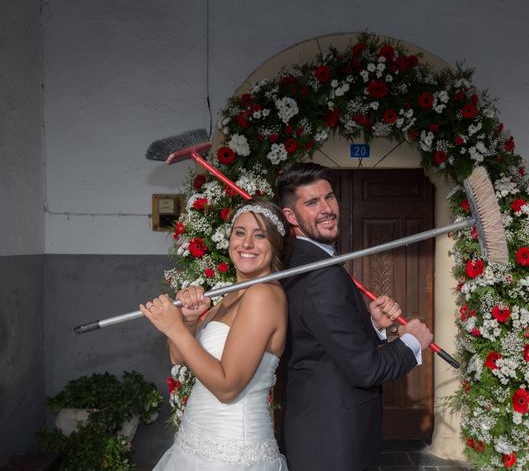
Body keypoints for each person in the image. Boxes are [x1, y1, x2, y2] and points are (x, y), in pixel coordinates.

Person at [275, 162, 434, 471]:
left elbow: (321, 343)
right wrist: (412, 342)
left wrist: (372, 325)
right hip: (332, 439)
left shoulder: (305, 261)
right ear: (290, 217)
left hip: (320, 429)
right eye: (312, 202)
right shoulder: (319, 274)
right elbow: (366, 370)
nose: (327, 209)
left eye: (329, 197)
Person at [139, 199, 289, 471]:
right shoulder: (229, 294)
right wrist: (189, 321)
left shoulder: (263, 295)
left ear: (275, 245)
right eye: (240, 232)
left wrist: (172, 326)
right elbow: (178, 356)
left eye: (260, 236)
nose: (246, 244)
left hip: (232, 452)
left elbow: (227, 387)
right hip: (195, 442)